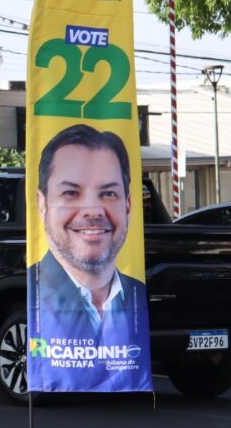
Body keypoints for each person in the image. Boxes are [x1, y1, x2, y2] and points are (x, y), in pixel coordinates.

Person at [28, 123, 147, 347]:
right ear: (42, 204)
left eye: (109, 193)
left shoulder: (139, 295)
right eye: (71, 193)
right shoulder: (32, 293)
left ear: (128, 205)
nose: (93, 210)